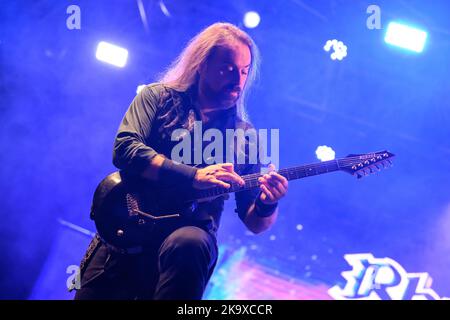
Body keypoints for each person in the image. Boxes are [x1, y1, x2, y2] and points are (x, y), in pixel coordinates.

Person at [74, 22, 288, 300]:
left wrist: (267, 202)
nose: (238, 80)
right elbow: (124, 149)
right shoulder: (156, 97)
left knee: (189, 243)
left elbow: (255, 222)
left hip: (187, 242)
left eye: (244, 71)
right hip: (123, 238)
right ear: (202, 64)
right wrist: (193, 176)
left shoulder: (246, 138)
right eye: (228, 68)